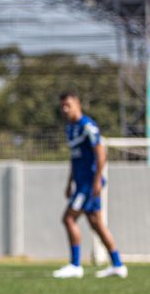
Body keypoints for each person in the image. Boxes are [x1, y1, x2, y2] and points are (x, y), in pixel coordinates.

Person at [54, 92, 127, 278]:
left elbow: (101, 153)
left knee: (69, 219)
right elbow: (75, 158)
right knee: (96, 224)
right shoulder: (70, 129)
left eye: (68, 105)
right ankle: (118, 264)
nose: (65, 109)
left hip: (88, 184)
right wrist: (69, 182)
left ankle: (75, 265)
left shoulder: (87, 125)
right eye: (62, 106)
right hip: (80, 184)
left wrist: (96, 180)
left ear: (78, 103)